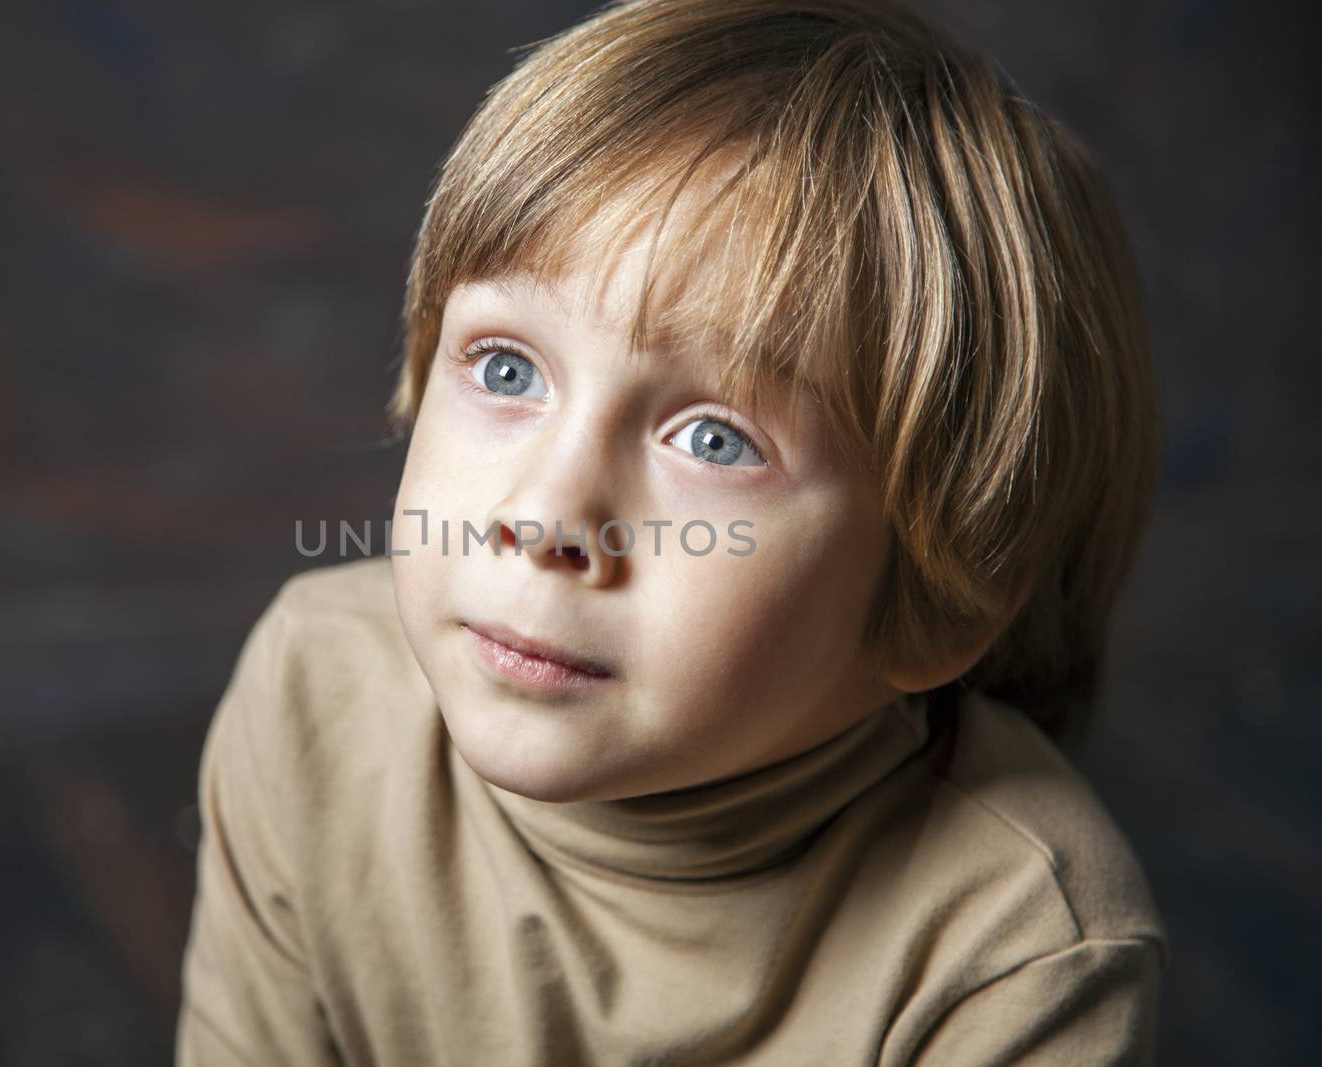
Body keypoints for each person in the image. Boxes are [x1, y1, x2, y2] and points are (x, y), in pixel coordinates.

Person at [176, 0, 1168, 1062]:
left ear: (939, 602)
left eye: (715, 438)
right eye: (507, 369)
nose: (545, 517)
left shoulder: (1016, 946)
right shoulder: (315, 693)